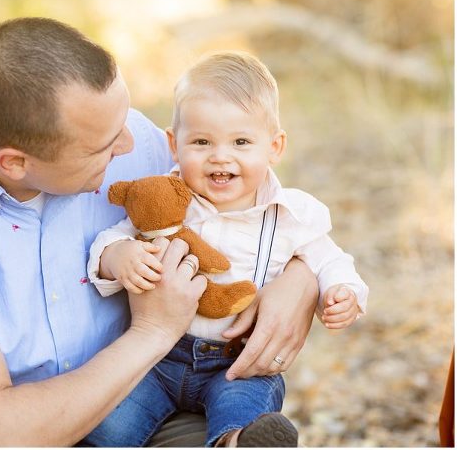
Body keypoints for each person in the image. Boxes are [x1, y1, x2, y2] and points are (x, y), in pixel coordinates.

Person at [0, 18, 321, 447]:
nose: (131, 143)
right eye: (103, 146)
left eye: (126, 120)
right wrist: (153, 332)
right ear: (15, 162)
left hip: (136, 416)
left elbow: (247, 195)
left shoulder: (129, 138)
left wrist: (301, 279)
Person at [83, 51, 370, 447]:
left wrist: (343, 293)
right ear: (173, 143)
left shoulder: (292, 214)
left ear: (274, 146)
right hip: (158, 358)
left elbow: (330, 261)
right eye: (201, 141)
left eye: (240, 141)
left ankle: (235, 441)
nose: (221, 156)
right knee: (113, 422)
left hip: (238, 363)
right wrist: (118, 257)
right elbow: (112, 237)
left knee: (244, 404)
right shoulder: (166, 199)